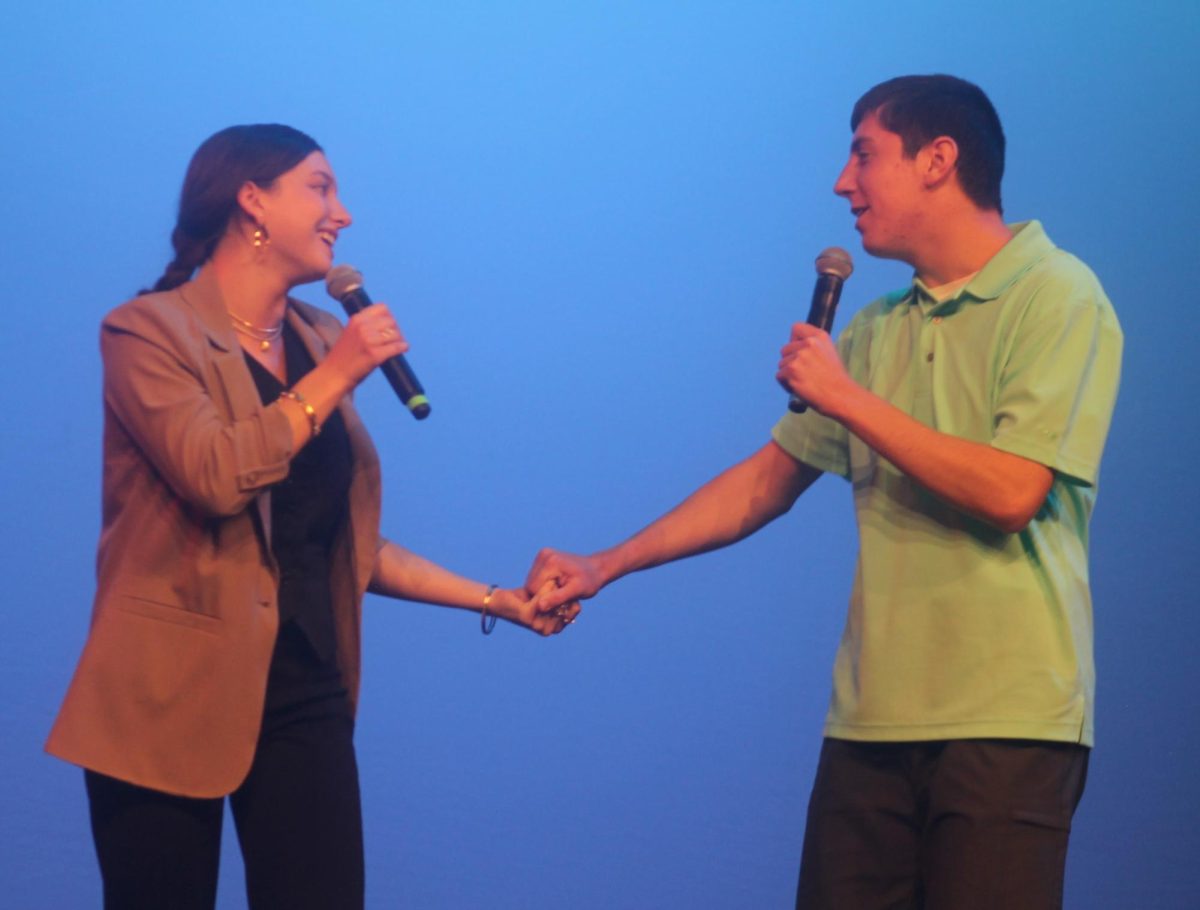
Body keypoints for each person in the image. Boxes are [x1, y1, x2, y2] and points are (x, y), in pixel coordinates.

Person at [526, 75, 1122, 909]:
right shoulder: (876, 327)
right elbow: (765, 483)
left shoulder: (1056, 294)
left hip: (1007, 724)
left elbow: (1013, 490)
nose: (843, 182)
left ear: (938, 160)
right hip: (870, 724)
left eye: (864, 154)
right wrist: (605, 564)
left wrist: (847, 397)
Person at [45, 123, 579, 910]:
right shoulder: (147, 331)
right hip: (163, 698)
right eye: (321, 188)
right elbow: (217, 477)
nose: (344, 213)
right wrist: (334, 375)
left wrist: (496, 599)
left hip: (303, 687)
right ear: (251, 201)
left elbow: (340, 544)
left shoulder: (317, 337)